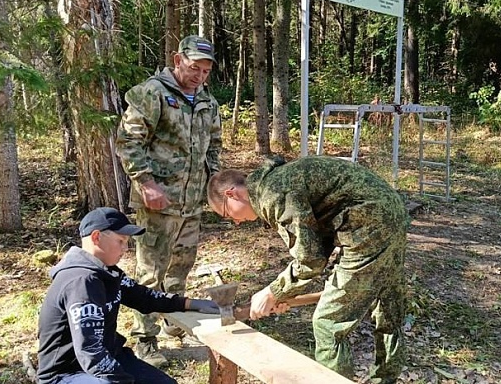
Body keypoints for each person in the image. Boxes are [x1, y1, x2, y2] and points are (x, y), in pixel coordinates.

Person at [206, 156, 408, 384]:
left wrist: (272, 292)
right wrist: (283, 295)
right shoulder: (273, 183)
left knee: (327, 324)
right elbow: (318, 242)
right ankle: (386, 378)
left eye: (226, 213)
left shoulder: (274, 194)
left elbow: (310, 261)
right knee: (387, 307)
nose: (235, 222)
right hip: (389, 211)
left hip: (369, 224)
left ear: (231, 194)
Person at [115, 35, 222, 366]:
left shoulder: (207, 102)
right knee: (151, 271)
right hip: (158, 202)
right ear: (178, 60)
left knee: (180, 267)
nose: (199, 77)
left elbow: (213, 146)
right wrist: (146, 183)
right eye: (194, 69)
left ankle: (173, 320)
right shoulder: (152, 93)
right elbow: (128, 141)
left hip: (192, 202)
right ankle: (144, 340)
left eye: (205, 71)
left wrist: (213, 184)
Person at [36, 207, 220, 384]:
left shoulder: (108, 272)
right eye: (120, 241)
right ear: (96, 237)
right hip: (66, 373)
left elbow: (144, 297)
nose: (125, 249)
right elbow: (89, 350)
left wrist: (188, 303)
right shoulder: (81, 282)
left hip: (106, 357)